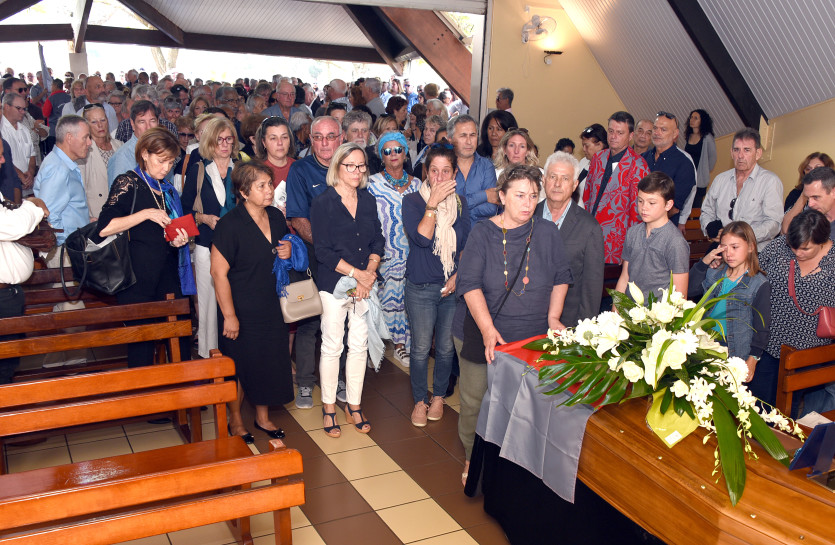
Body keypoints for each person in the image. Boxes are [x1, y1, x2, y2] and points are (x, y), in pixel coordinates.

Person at [454, 164, 572, 484]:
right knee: (476, 402)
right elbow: (469, 284)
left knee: (522, 406)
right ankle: (472, 459)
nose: (528, 203)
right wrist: (487, 329)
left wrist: (553, 316)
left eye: (533, 196)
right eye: (519, 195)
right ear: (502, 197)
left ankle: (511, 467)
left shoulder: (547, 232)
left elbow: (561, 276)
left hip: (531, 338)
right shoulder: (483, 233)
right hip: (485, 332)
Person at [94, 127, 194, 367]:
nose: (166, 168)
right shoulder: (128, 182)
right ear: (145, 154)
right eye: (161, 161)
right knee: (142, 346)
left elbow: (166, 233)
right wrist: (145, 214)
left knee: (180, 338)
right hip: (137, 277)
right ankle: (144, 389)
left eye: (170, 162)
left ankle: (182, 386)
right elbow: (104, 228)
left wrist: (177, 241)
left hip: (167, 274)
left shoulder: (167, 189)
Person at [211, 161, 293, 443]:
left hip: (272, 303)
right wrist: (229, 316)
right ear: (244, 192)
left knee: (267, 361)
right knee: (239, 365)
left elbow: (283, 251)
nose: (269, 190)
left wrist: (289, 249)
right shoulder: (230, 224)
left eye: (270, 184)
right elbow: (218, 273)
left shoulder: (276, 217)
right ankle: (236, 421)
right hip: (240, 307)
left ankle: (262, 416)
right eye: (262, 186)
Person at [310, 142, 384, 438]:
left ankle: (354, 404)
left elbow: (377, 239)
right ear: (337, 167)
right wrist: (358, 275)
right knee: (332, 346)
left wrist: (370, 271)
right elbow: (323, 252)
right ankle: (329, 406)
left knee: (359, 344)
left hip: (364, 283)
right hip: (334, 284)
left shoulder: (367, 200)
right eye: (350, 165)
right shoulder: (323, 202)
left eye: (361, 165)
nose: (357, 171)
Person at [403, 144, 470, 426]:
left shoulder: (461, 204)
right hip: (420, 287)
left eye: (446, 171)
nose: (440, 177)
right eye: (434, 171)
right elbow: (422, 238)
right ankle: (420, 400)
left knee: (445, 348)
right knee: (420, 349)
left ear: (454, 174)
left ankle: (439, 397)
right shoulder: (413, 201)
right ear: (426, 173)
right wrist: (432, 203)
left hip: (450, 288)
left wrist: (458, 275)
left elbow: (465, 246)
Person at [286, 115, 345, 409]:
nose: (325, 143)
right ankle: (306, 383)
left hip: (345, 260)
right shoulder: (300, 170)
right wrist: (325, 248)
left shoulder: (350, 166)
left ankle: (340, 379)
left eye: (331, 136)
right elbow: (298, 219)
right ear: (310, 140)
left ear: (341, 139)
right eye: (318, 137)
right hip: (311, 257)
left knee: (342, 320)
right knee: (309, 322)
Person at [756, 210, 835, 410]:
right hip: (768, 342)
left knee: (786, 410)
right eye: (794, 247)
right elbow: (753, 272)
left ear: (822, 241)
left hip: (809, 350)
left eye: (806, 248)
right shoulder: (778, 247)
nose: (798, 252)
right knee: (758, 403)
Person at [182, 117, 239, 359]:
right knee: (207, 303)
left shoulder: (241, 170)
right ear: (209, 143)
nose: (224, 145)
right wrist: (204, 218)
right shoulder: (199, 170)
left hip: (237, 248)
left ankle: (235, 352)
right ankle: (209, 354)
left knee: (235, 300)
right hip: (207, 243)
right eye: (218, 140)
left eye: (228, 139)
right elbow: (184, 209)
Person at [689, 221, 770, 377]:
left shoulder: (759, 283)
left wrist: (752, 359)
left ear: (751, 247)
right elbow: (691, 289)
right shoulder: (714, 272)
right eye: (724, 248)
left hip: (735, 350)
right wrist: (705, 262)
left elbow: (762, 327)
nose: (729, 254)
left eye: (735, 247)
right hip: (705, 342)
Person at [367, 131, 421, 367]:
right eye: (387, 151)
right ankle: (378, 347)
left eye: (398, 149)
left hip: (412, 252)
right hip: (383, 253)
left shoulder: (417, 184)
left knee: (406, 300)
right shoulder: (371, 184)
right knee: (384, 301)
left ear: (405, 152)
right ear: (381, 156)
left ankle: (402, 345)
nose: (393, 154)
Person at [535, 151, 604, 325]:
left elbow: (592, 288)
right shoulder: (529, 215)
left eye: (565, 179)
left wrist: (584, 328)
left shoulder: (589, 227)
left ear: (574, 185)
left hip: (568, 321)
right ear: (544, 180)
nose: (557, 184)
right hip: (528, 318)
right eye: (553, 177)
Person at [583, 111, 649, 264]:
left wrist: (630, 249)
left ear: (630, 136)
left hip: (616, 244)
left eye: (620, 133)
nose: (613, 136)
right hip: (589, 235)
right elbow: (587, 196)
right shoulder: (598, 158)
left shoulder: (638, 166)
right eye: (611, 131)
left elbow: (638, 213)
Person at [700, 128, 783, 246]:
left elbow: (773, 224)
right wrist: (710, 228)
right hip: (722, 246)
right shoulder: (720, 180)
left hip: (754, 249)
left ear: (758, 154)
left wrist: (742, 237)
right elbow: (707, 211)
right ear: (731, 153)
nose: (740, 156)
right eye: (736, 150)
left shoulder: (770, 181)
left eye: (747, 150)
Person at [0, 183, 49, 384]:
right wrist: (32, 204)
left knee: (8, 361)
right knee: (3, 365)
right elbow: (13, 226)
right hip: (2, 296)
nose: (2, 166)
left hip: (8, 294)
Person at [615, 172, 690, 301]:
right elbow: (625, 277)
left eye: (652, 203)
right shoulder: (633, 232)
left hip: (657, 311)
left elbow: (680, 294)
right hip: (629, 308)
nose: (644, 207)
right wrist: (615, 308)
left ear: (668, 205)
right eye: (640, 201)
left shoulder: (675, 242)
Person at [33, 116, 91, 252]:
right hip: (65, 250)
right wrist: (66, 245)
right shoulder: (58, 169)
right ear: (69, 138)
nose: (89, 143)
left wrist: (84, 220)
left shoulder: (62, 163)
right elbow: (49, 215)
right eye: (85, 138)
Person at [641, 111, 696, 230]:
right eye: (655, 128)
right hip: (639, 226)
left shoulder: (684, 163)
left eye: (663, 129)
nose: (657, 133)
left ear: (675, 134)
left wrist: (648, 222)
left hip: (663, 230)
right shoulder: (643, 158)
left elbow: (674, 207)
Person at [450, 115, 500, 225]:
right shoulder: (445, 167)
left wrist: (458, 209)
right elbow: (446, 207)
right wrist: (484, 195)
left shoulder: (487, 166)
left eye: (472, 135)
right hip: (449, 234)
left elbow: (491, 208)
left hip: (478, 233)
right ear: (451, 139)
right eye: (463, 136)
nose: (469, 141)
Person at [79, 103, 122, 219]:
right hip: (96, 213)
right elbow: (80, 189)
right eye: (94, 122)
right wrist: (87, 217)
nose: (100, 125)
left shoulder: (119, 146)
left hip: (120, 211)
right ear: (86, 125)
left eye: (103, 120)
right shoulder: (83, 151)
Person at [108, 100, 162, 186]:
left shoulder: (162, 151)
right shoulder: (121, 157)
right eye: (142, 122)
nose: (148, 127)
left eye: (152, 121)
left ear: (158, 122)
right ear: (132, 124)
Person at [254, 116, 295, 214]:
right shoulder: (255, 171)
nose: (280, 143)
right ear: (264, 142)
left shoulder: (300, 168)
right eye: (273, 138)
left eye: (284, 137)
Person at [684, 109, 717, 209]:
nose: (692, 120)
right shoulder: (689, 136)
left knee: (696, 206)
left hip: (699, 179)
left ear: (702, 121)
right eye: (691, 117)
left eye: (696, 118)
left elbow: (713, 157)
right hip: (687, 176)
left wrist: (705, 170)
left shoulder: (707, 137)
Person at [577, 123, 608, 205]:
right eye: (583, 146)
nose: (584, 149)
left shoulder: (607, 167)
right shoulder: (583, 161)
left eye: (586, 146)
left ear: (600, 145)